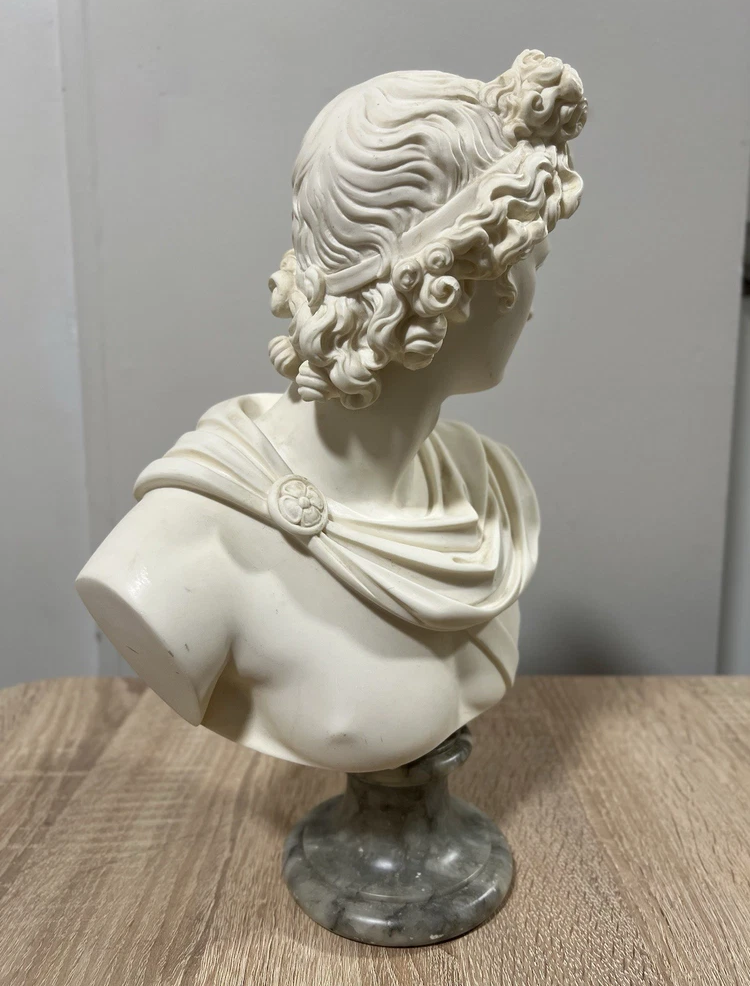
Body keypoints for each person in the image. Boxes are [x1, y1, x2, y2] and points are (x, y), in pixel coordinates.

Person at [77, 50, 587, 772]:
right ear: (451, 279)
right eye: (533, 256)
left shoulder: (490, 488)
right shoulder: (184, 550)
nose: (536, 298)